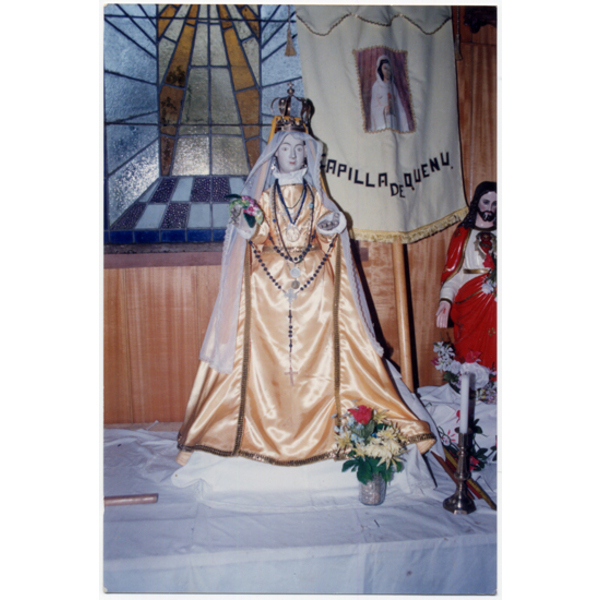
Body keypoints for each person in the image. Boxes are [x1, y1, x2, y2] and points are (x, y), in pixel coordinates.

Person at [175, 118, 435, 467]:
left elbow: (327, 236)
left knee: (327, 338)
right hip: (268, 285)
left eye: (300, 148)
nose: (294, 155)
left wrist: (331, 226)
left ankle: (332, 420)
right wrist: (247, 225)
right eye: (286, 148)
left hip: (314, 285)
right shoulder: (264, 197)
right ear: (274, 155)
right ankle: (254, 421)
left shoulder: (316, 198)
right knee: (261, 346)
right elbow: (258, 236)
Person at [436, 181, 497, 371]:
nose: (490, 208)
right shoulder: (463, 234)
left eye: (495, 204)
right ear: (477, 202)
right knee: (468, 351)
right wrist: (445, 300)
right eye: (486, 202)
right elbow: (453, 274)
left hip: (497, 305)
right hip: (470, 304)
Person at [369, 55, 410, 132]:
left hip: (393, 123)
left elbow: (399, 108)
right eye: (385, 68)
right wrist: (385, 109)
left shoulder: (393, 87)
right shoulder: (376, 86)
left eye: (389, 69)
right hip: (381, 124)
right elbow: (373, 108)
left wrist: (405, 128)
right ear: (380, 69)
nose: (387, 71)